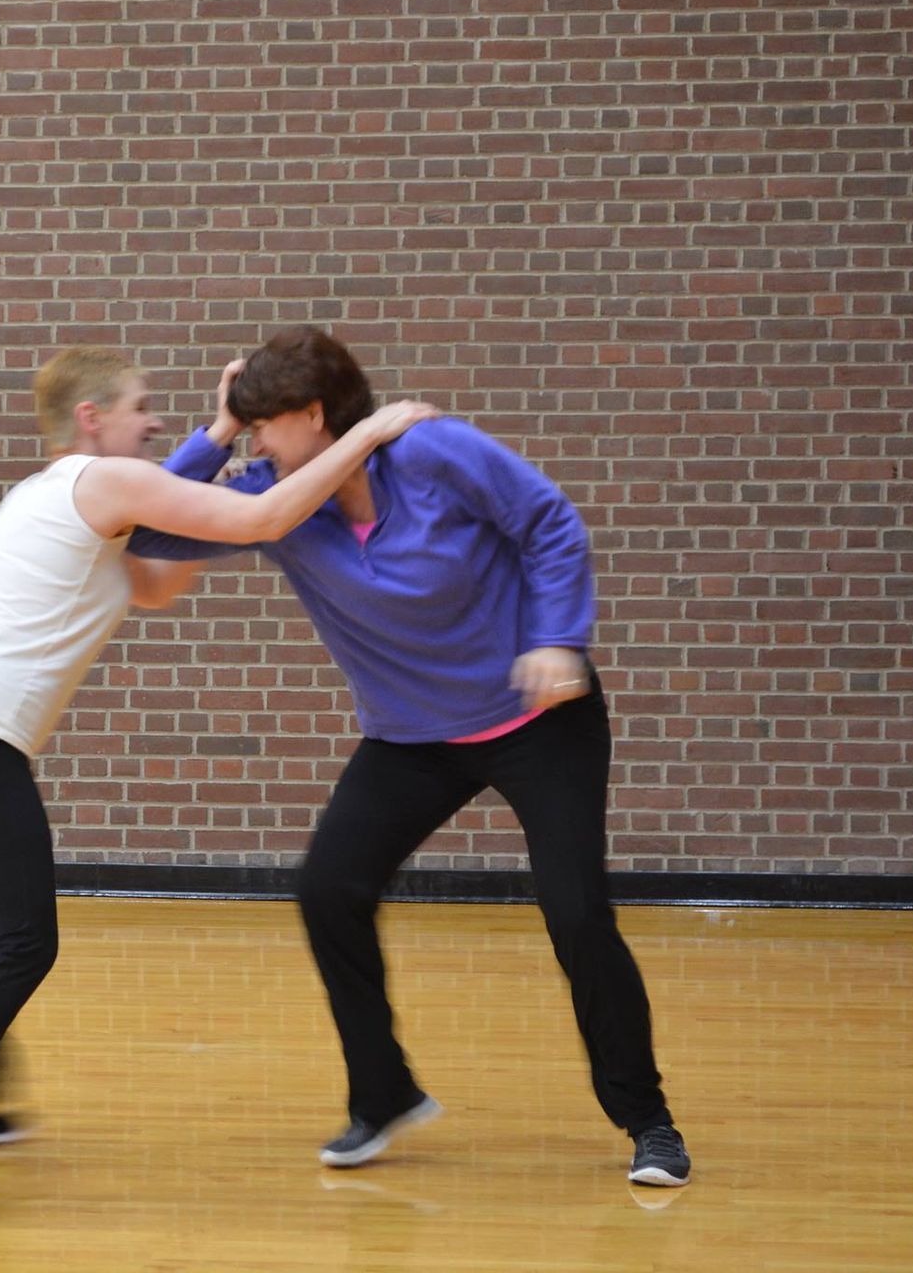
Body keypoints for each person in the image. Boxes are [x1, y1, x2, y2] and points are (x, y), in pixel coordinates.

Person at [0, 347, 437, 1225]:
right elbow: (267, 517)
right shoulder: (97, 478)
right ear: (92, 419)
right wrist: (368, 434)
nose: (155, 424)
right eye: (141, 408)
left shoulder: (68, 499)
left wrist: (228, 464)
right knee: (19, 942)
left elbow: (156, 580)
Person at [127, 326, 692, 1188]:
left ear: (313, 414)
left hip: (536, 715)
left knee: (577, 915)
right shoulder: (280, 500)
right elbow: (149, 532)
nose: (258, 446)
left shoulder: (432, 451)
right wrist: (214, 433)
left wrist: (558, 640)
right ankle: (382, 1093)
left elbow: (549, 524)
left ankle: (647, 1119)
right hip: (412, 738)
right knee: (328, 891)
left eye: (265, 427)